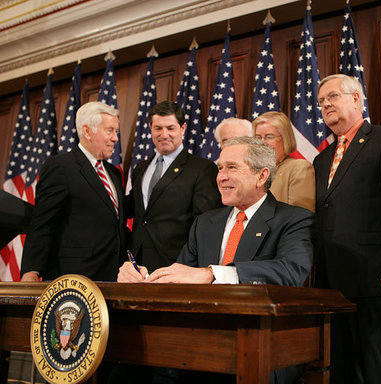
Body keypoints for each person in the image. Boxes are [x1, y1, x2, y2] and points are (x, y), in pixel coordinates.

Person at [119, 137, 313, 384]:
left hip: (259, 346)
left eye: (232, 167)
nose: (221, 176)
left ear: (262, 176)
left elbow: (291, 271)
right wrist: (144, 278)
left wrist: (213, 273)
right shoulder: (205, 222)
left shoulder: (293, 220)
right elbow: (181, 278)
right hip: (198, 347)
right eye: (220, 168)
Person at [314, 74, 381, 384]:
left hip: (376, 281)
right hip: (333, 284)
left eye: (332, 97)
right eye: (322, 102)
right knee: (341, 372)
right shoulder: (321, 159)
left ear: (356, 99)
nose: (326, 105)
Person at [21, 101, 126, 282]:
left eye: (116, 131)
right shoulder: (61, 167)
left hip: (111, 277)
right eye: (109, 130)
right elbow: (43, 222)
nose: (115, 138)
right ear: (87, 131)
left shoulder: (114, 174)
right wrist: (31, 270)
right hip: (73, 278)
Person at [129, 101, 221, 273]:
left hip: (177, 265)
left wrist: (188, 263)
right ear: (150, 128)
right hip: (138, 265)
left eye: (171, 128)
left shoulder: (202, 169)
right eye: (158, 128)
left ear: (183, 128)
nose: (164, 134)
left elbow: (204, 223)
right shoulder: (140, 169)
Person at [253, 111, 315, 212]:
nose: (262, 143)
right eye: (258, 137)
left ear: (285, 138)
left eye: (269, 137)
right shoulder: (253, 172)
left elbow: (300, 217)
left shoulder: (298, 168)